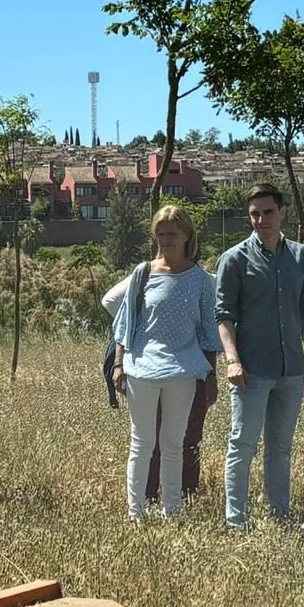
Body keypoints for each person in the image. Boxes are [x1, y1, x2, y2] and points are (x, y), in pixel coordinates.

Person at [215, 183, 304, 529]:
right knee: (243, 445)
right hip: (252, 369)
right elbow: (224, 316)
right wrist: (232, 359)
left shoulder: (300, 256)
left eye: (267, 212)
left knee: (280, 447)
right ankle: (237, 521)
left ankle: (281, 515)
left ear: (282, 213)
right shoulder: (233, 259)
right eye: (254, 214)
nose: (261, 220)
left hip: (290, 368)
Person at [109, 206, 219, 520]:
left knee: (173, 444)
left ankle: (173, 510)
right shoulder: (142, 273)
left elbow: (208, 332)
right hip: (141, 370)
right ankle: (136, 512)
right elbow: (126, 323)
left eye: (171, 233)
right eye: (160, 234)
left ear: (187, 235)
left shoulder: (200, 280)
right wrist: (118, 364)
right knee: (141, 443)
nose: (165, 240)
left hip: (184, 372)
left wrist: (210, 376)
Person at [102, 271, 215, 502]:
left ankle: (169, 498)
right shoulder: (148, 274)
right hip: (164, 366)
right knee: (173, 438)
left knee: (177, 438)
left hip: (184, 367)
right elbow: (111, 301)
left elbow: (110, 300)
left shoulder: (204, 280)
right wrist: (143, 328)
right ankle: (168, 496)